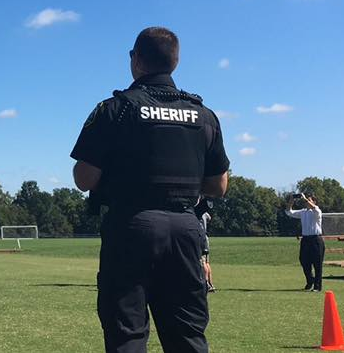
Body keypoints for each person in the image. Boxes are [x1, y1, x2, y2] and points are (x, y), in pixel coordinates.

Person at [70, 26, 230, 353]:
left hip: (131, 226)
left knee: (127, 334)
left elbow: (84, 178)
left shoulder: (115, 109)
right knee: (188, 335)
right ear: (175, 61)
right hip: (186, 230)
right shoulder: (203, 114)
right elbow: (219, 185)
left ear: (136, 60)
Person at [285, 193, 324, 291]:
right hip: (306, 240)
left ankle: (317, 286)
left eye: (310, 200)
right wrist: (291, 200)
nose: (307, 202)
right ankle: (310, 280)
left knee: (317, 264)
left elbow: (314, 208)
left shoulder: (317, 211)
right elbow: (289, 212)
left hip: (316, 240)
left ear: (314, 202)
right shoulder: (303, 212)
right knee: (304, 261)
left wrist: (305, 198)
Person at [194, 198, 216, 293]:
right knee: (207, 262)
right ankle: (211, 284)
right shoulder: (205, 214)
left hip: (200, 236)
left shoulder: (195, 212)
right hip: (206, 237)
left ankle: (205, 284)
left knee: (202, 263)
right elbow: (209, 217)